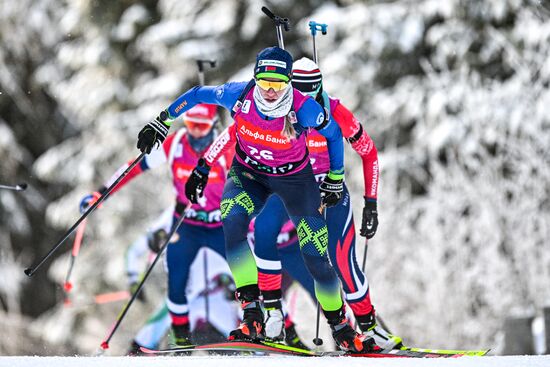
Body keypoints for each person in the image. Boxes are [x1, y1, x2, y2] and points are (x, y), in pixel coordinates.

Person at [136, 46, 378, 353]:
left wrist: (334, 177)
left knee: (316, 253)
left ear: (289, 83)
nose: (272, 92)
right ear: (255, 79)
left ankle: (341, 326)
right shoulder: (239, 95)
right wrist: (163, 120)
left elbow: (332, 136)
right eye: (265, 84)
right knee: (232, 217)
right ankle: (252, 312)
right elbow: (197, 94)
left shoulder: (304, 109)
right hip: (249, 174)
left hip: (294, 180)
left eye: (278, 85)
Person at [253, 57, 402, 349]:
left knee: (344, 263)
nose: (306, 100)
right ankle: (269, 318)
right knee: (263, 235)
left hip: (330, 194)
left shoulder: (335, 111)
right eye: (300, 91)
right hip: (291, 190)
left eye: (313, 92)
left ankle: (370, 329)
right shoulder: (275, 110)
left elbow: (369, 153)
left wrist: (371, 203)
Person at [81, 104, 234, 346]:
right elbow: (132, 168)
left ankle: (260, 325)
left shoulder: (226, 147)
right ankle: (181, 339)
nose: (195, 132)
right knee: (176, 281)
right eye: (191, 124)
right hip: (186, 223)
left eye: (201, 126)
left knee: (248, 273)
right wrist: (101, 194)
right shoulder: (175, 145)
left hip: (221, 225)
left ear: (213, 125)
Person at [123, 208, 238, 355]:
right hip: (188, 287)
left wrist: (232, 282)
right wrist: (133, 279)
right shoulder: (176, 210)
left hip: (215, 295)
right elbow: (136, 249)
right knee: (167, 315)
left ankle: (258, 350)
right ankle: (137, 352)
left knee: (241, 333)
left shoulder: (225, 206)